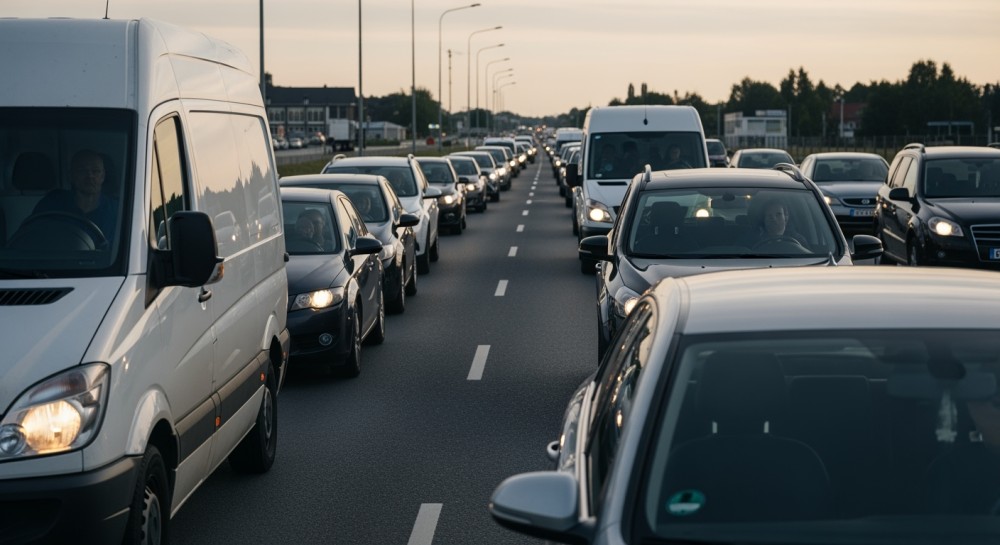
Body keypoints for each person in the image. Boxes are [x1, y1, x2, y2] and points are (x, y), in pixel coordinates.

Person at [33, 149, 118, 241]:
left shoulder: (117, 211)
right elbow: (27, 238)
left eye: (96, 171)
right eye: (82, 171)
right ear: (71, 175)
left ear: (103, 176)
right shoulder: (50, 205)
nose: (90, 176)